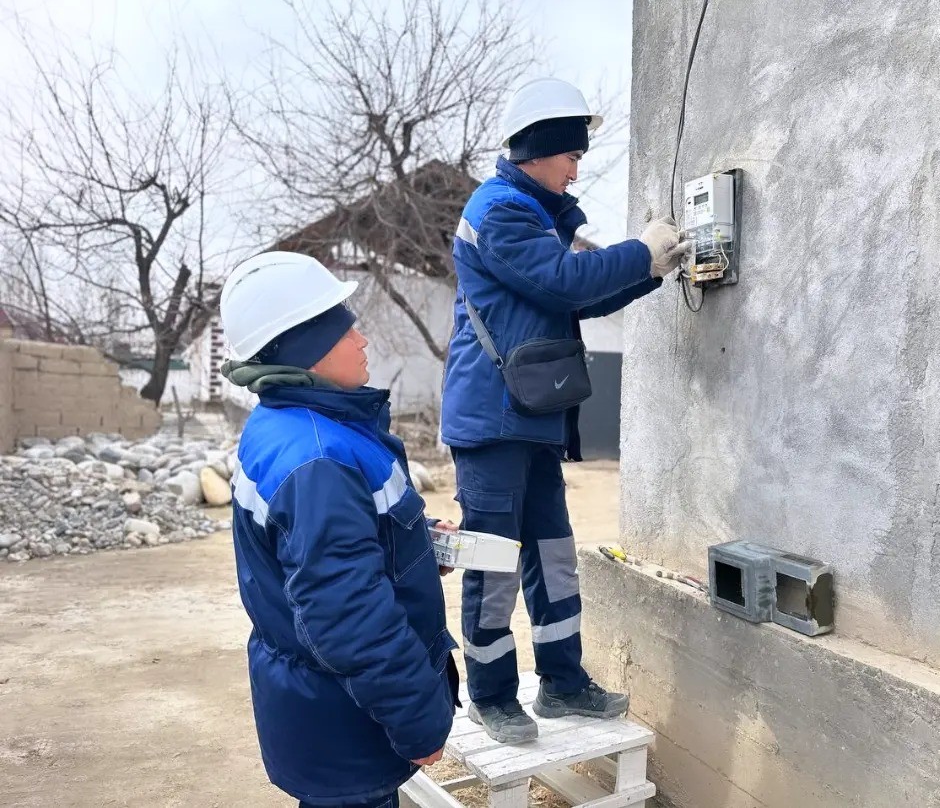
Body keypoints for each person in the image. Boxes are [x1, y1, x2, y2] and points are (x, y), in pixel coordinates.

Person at [441, 77, 690, 743]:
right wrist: (643, 252)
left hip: (532, 413)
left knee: (552, 552)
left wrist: (653, 270)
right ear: (537, 150)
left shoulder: (536, 214)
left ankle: (561, 681)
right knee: (494, 558)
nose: (578, 166)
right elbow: (564, 282)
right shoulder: (500, 211)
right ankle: (491, 696)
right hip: (492, 418)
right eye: (570, 155)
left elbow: (583, 298)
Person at [218, 251, 460, 808]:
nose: (362, 339)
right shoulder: (319, 457)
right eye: (344, 327)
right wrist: (419, 720)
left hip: (319, 707)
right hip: (345, 716)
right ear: (307, 348)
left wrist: (415, 540)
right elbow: (347, 614)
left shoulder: (287, 425)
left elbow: (330, 549)